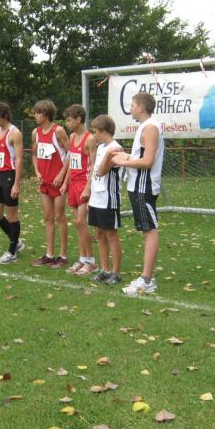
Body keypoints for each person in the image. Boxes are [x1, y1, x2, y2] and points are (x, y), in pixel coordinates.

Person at [111, 92, 164, 296]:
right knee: (146, 230)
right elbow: (140, 155)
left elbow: (148, 161)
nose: (130, 109)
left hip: (144, 187)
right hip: (137, 186)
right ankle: (146, 278)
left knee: (150, 230)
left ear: (141, 107)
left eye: (132, 105)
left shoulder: (150, 127)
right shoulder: (145, 126)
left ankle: (147, 280)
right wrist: (125, 156)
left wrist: (122, 162)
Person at [30, 100, 69, 268]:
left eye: (37, 112)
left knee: (60, 216)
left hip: (59, 182)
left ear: (45, 113)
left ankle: (63, 256)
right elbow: (34, 154)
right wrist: (37, 171)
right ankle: (49, 254)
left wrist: (61, 174)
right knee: (48, 217)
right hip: (44, 181)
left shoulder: (58, 131)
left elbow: (71, 153)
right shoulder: (35, 133)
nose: (35, 115)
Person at [86, 115, 123, 285]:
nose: (94, 135)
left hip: (108, 199)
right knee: (99, 234)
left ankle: (116, 272)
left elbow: (101, 171)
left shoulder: (115, 149)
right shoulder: (101, 147)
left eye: (96, 132)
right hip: (96, 198)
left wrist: (108, 154)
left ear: (105, 131)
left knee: (111, 235)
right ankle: (105, 269)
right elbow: (94, 171)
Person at [0, 101, 25, 264]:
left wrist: (17, 184)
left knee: (12, 216)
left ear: (4, 116)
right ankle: (17, 242)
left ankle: (11, 252)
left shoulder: (15, 133)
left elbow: (19, 159)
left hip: (9, 176)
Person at [60, 104, 97, 275]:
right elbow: (72, 160)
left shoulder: (90, 139)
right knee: (77, 223)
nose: (67, 123)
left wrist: (88, 187)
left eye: (69, 120)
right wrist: (65, 182)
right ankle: (82, 259)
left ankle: (91, 261)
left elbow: (93, 165)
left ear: (78, 119)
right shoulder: (72, 136)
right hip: (73, 184)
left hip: (83, 184)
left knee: (81, 222)